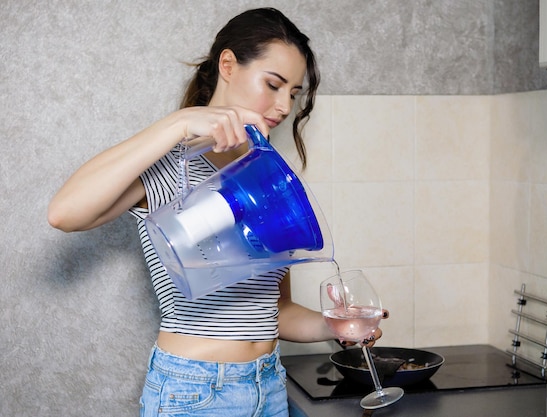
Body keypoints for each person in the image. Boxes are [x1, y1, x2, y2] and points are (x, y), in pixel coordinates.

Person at [48, 7, 388, 417]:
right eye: (274, 85)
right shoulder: (172, 163)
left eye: (294, 94)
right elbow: (64, 213)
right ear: (228, 65)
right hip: (197, 392)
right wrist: (180, 122)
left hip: (270, 386)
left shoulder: (266, 176)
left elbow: (272, 312)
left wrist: (332, 326)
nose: (283, 107)